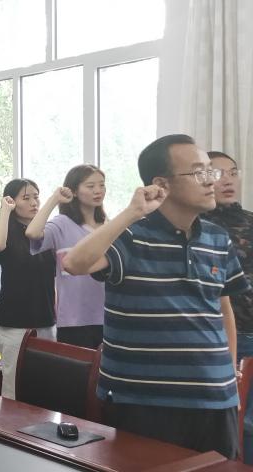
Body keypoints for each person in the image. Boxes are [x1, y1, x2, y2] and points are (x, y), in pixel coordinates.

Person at [63, 135, 248, 459]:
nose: (211, 181)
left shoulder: (218, 239)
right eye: (199, 172)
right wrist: (130, 213)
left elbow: (223, 309)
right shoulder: (131, 235)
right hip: (144, 400)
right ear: (162, 184)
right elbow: (74, 263)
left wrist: (228, 373)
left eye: (211, 171)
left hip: (215, 399)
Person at [203, 151, 253, 462]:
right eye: (218, 173)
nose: (227, 180)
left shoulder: (250, 221)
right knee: (237, 418)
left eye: (232, 172)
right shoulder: (199, 226)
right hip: (223, 335)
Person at [25, 165, 108, 348]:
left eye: (102, 185)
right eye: (90, 186)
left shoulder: (108, 226)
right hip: (73, 321)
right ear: (75, 191)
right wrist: (54, 199)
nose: (98, 190)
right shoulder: (61, 224)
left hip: (109, 318)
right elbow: (32, 232)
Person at [0, 179, 56, 400]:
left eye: (36, 196)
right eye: (26, 198)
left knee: (46, 384)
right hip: (15, 322)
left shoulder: (45, 231)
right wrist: (4, 211)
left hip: (46, 319)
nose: (34, 202)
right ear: (12, 201)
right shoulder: (6, 230)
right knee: (14, 386)